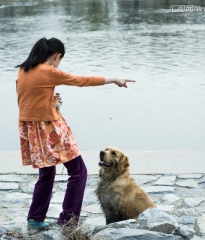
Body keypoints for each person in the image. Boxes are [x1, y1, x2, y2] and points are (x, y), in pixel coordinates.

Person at [15, 37, 135, 230]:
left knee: (46, 174)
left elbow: (27, 101)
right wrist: (113, 79)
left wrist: (52, 102)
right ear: (57, 56)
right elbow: (82, 81)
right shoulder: (49, 71)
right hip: (50, 130)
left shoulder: (23, 69)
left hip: (32, 131)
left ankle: (35, 218)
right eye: (59, 60)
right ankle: (68, 220)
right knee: (79, 172)